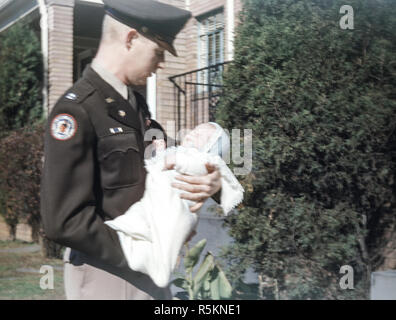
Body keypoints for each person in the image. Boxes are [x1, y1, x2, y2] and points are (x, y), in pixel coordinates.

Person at [40, 0, 222, 300]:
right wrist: (144, 250)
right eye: (158, 52)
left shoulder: (135, 105)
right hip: (109, 273)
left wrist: (211, 182)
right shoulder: (76, 111)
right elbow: (63, 221)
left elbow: (158, 163)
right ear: (131, 39)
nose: (161, 64)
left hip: (149, 268)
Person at [105, 122, 244, 288]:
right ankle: (145, 259)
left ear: (210, 147)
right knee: (141, 223)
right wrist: (162, 153)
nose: (193, 133)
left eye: (201, 136)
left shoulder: (200, 159)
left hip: (178, 208)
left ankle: (160, 270)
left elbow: (184, 164)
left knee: (162, 240)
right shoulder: (179, 151)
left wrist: (169, 158)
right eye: (195, 129)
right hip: (160, 204)